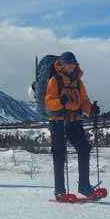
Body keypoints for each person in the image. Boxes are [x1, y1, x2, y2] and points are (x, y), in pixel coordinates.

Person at [45, 51, 96, 200]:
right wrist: (60, 101)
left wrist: (91, 109)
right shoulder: (54, 80)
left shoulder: (78, 82)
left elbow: (84, 101)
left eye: (73, 63)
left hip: (75, 120)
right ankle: (59, 191)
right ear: (61, 64)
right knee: (59, 154)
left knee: (84, 148)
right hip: (57, 121)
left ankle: (84, 187)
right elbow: (48, 102)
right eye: (68, 63)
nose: (71, 66)